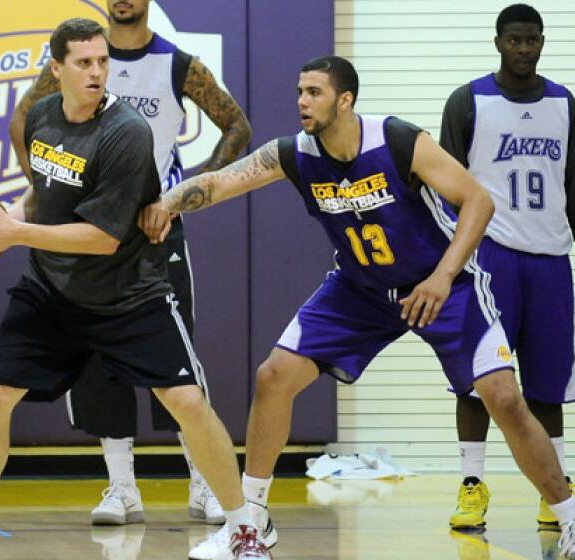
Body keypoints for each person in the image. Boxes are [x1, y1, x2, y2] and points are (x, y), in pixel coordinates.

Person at [139, 55, 575, 560]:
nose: (303, 102)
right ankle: (251, 522)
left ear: (345, 100)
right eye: (300, 91)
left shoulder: (397, 139)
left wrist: (443, 276)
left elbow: (478, 200)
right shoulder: (294, 153)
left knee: (503, 397)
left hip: (442, 286)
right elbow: (218, 183)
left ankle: (567, 516)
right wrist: (165, 204)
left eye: (315, 93)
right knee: (274, 375)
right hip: (361, 290)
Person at [0, 18, 270, 560]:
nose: (97, 72)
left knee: (187, 401)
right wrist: (5, 215)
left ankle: (243, 531)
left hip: (130, 293)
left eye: (102, 63)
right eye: (84, 63)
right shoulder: (43, 118)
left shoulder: (125, 132)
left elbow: (100, 237)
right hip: (51, 289)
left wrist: (13, 234)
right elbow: (47, 199)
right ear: (57, 70)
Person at [10, 0, 251, 527]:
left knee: (177, 361)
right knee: (96, 357)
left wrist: (181, 194)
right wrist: (49, 193)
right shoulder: (77, 60)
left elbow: (237, 127)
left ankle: (205, 486)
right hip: (89, 230)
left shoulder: (177, 64)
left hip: (153, 232)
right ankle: (121, 488)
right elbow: (23, 120)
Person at [439, 3, 575, 529]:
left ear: (542, 42)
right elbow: (444, 187)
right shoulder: (469, 101)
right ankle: (472, 486)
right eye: (514, 40)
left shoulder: (565, 104)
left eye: (532, 40)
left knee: (548, 384)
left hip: (549, 261)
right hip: (488, 260)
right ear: (498, 42)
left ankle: (555, 491)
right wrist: (449, 261)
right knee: (477, 380)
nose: (524, 49)